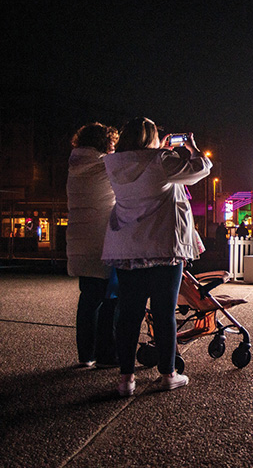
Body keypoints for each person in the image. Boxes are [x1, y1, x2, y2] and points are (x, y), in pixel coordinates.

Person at [102, 117, 211, 397]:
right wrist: (192, 147)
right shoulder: (162, 160)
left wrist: (157, 151)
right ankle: (168, 374)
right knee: (164, 314)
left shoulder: (113, 163)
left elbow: (142, 167)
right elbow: (200, 169)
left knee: (129, 314)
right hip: (163, 249)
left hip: (127, 250)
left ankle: (126, 380)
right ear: (152, 137)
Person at [67, 122, 120, 368]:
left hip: (79, 240)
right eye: (111, 143)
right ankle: (105, 352)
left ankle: (85, 354)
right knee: (108, 299)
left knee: (88, 299)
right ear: (104, 143)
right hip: (101, 241)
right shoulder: (104, 166)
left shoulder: (75, 164)